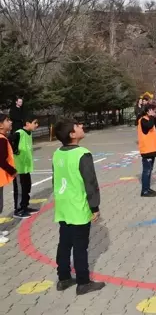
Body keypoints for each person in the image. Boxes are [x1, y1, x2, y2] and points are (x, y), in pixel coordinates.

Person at [52, 119, 105, 295]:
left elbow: (55, 180)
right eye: (77, 126)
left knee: (65, 243)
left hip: (63, 205)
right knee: (80, 245)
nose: (81, 126)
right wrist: (94, 207)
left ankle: (64, 278)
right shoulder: (82, 154)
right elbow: (90, 182)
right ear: (72, 135)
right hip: (78, 206)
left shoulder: (57, 153)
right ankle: (83, 282)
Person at [11, 117, 39, 219]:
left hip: (26, 167)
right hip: (18, 168)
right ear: (27, 123)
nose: (37, 125)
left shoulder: (29, 133)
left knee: (26, 187)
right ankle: (18, 210)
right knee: (19, 189)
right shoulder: (19, 133)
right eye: (35, 123)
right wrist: (14, 151)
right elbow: (9, 142)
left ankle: (25, 207)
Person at [0, 114, 17, 244]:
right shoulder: (1, 140)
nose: (10, 122)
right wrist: (13, 171)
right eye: (7, 120)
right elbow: (1, 160)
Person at [138, 104, 156, 197]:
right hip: (147, 150)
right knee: (146, 171)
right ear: (147, 111)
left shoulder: (150, 119)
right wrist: (152, 117)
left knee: (150, 170)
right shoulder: (143, 120)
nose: (154, 112)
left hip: (152, 149)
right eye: (152, 111)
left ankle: (147, 188)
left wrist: (154, 117)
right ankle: (144, 191)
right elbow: (149, 126)